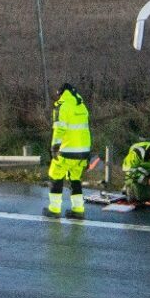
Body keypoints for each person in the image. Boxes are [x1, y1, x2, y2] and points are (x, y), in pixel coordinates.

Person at [46, 84, 90, 218]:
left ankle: (54, 209)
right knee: (75, 179)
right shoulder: (82, 106)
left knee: (55, 176)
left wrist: (54, 147)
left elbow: (59, 129)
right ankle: (78, 209)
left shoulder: (62, 106)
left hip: (66, 150)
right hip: (83, 151)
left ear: (61, 93)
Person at [121, 139, 150, 204]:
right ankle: (128, 188)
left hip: (146, 174)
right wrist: (147, 180)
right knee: (138, 197)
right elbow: (130, 172)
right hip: (132, 176)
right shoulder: (136, 154)